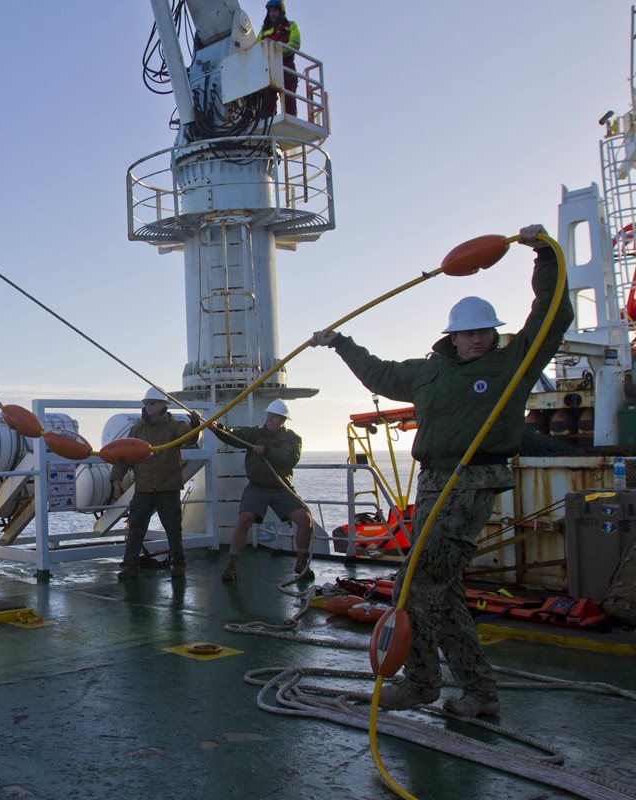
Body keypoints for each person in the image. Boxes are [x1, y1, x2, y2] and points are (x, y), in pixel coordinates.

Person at [309, 224, 573, 718]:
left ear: (495, 333)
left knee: (417, 583)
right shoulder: (429, 371)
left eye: (483, 331)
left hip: (474, 480)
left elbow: (553, 315)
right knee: (444, 591)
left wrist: (543, 256)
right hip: (433, 481)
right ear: (452, 336)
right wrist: (340, 343)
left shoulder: (513, 363)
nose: (476, 340)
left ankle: (421, 682)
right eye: (467, 333)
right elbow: (382, 374)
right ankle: (479, 694)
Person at [210, 399, 313, 584]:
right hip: (257, 487)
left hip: (281, 488)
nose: (270, 419)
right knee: (244, 520)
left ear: (283, 420)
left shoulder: (293, 439)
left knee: (305, 520)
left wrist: (267, 451)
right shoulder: (254, 433)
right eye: (269, 415)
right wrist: (215, 427)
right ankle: (231, 565)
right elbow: (232, 436)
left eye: (274, 416)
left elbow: (289, 460)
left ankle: (302, 562)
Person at [111, 388, 203, 580]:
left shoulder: (175, 426)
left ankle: (179, 565)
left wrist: (195, 423)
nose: (148, 406)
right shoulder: (137, 429)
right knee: (136, 528)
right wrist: (116, 476)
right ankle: (130, 567)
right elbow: (126, 454)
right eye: (146, 403)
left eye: (151, 403)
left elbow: (191, 438)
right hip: (143, 487)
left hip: (167, 487)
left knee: (173, 529)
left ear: (162, 405)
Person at [258, 0, 300, 117]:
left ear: (281, 11)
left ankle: (291, 120)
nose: (272, 14)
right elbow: (255, 49)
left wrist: (276, 52)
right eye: (270, 11)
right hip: (269, 70)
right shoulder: (264, 31)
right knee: (267, 101)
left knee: (289, 100)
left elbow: (295, 44)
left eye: (275, 11)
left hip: (286, 68)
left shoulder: (291, 26)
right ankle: (267, 121)